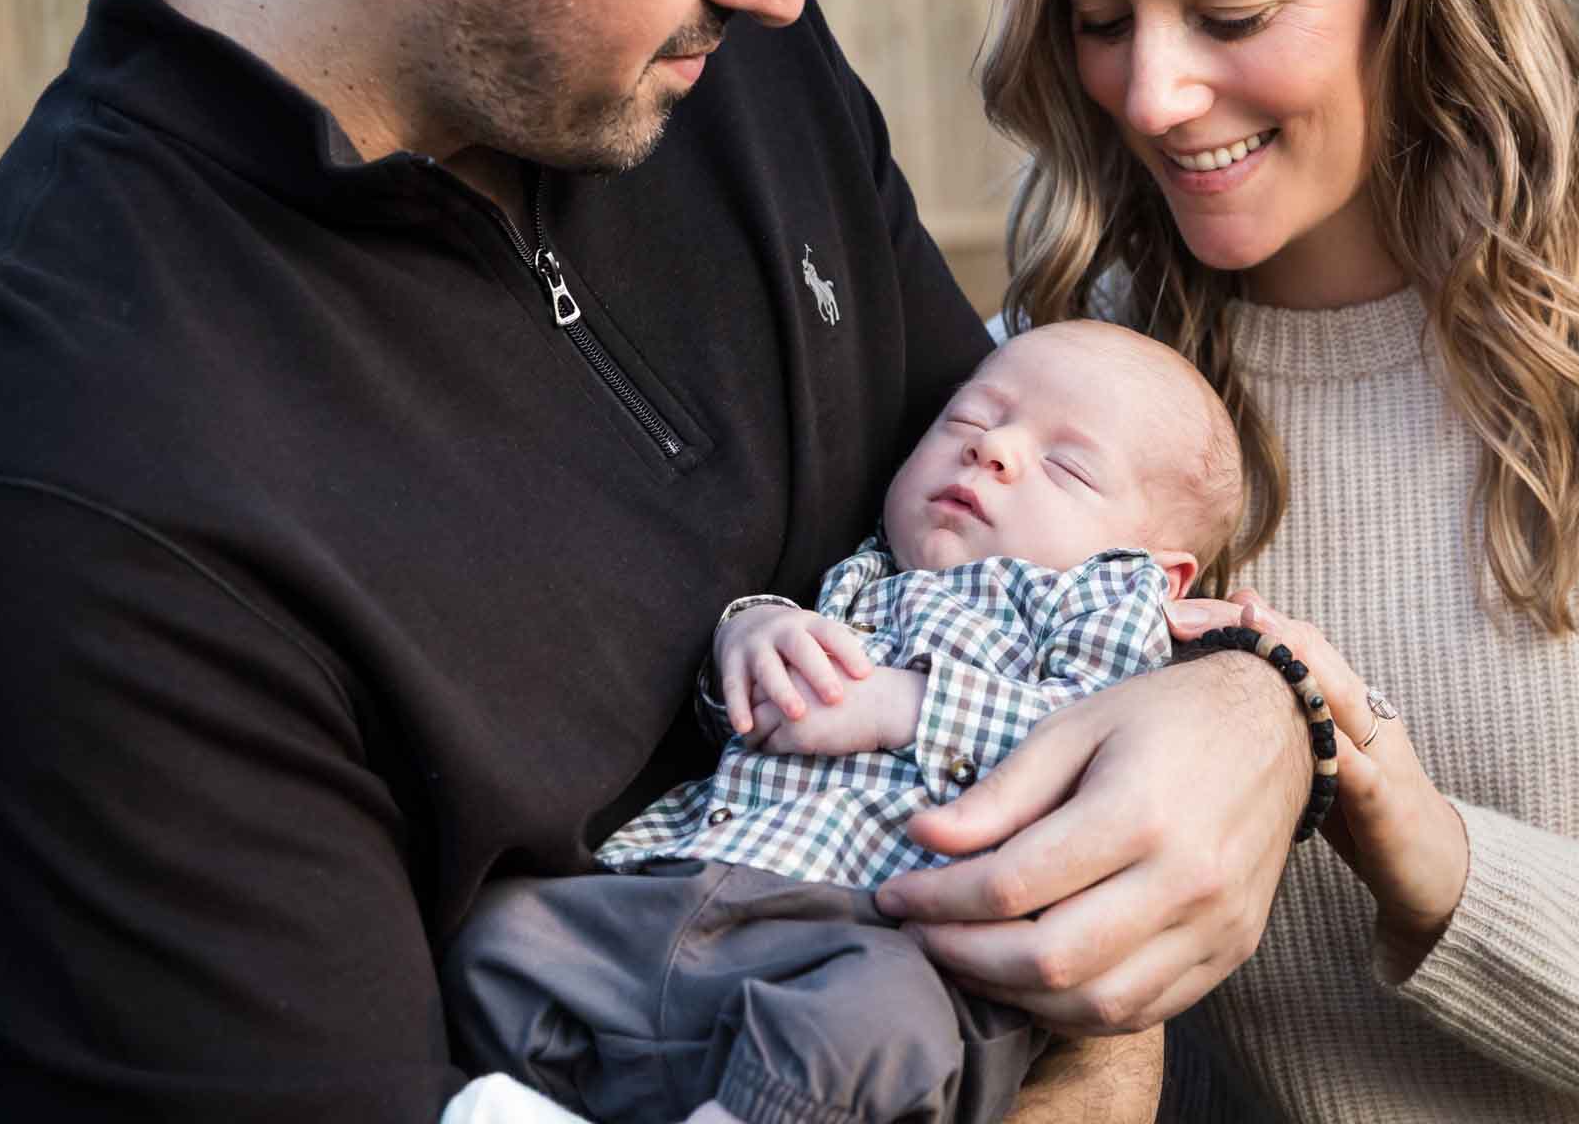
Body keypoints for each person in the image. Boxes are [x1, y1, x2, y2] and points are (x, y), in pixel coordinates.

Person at [0, 0, 1314, 1120]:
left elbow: (1084, 556)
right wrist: (1097, 1040)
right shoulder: (78, 488)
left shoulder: (712, 58)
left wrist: (1258, 711)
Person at [971, 0, 1579, 1120]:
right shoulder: (1027, 411)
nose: (1151, 95)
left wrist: (1444, 871)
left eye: (1233, 15)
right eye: (1101, 23)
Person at [442, 320, 1246, 1124]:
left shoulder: (1101, 608)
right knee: (498, 940)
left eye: (1067, 466)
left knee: (874, 1034)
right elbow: (740, 715)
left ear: (1160, 574)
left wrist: (904, 704)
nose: (992, 448)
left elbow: (1091, 745)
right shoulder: (863, 570)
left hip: (883, 938)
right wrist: (752, 632)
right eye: (969, 418)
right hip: (682, 886)